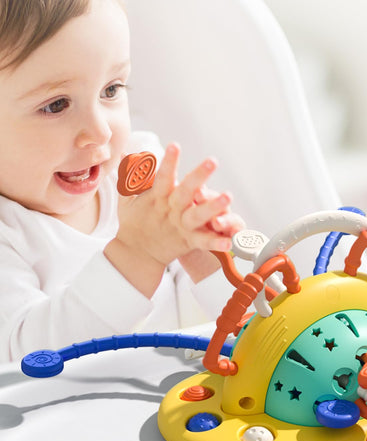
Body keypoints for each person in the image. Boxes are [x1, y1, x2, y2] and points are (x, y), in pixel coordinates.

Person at [0, 0, 244, 363]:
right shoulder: (10, 233)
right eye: (56, 105)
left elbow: (254, 331)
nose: (99, 132)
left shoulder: (137, 171)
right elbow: (25, 361)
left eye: (111, 90)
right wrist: (136, 256)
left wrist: (209, 259)